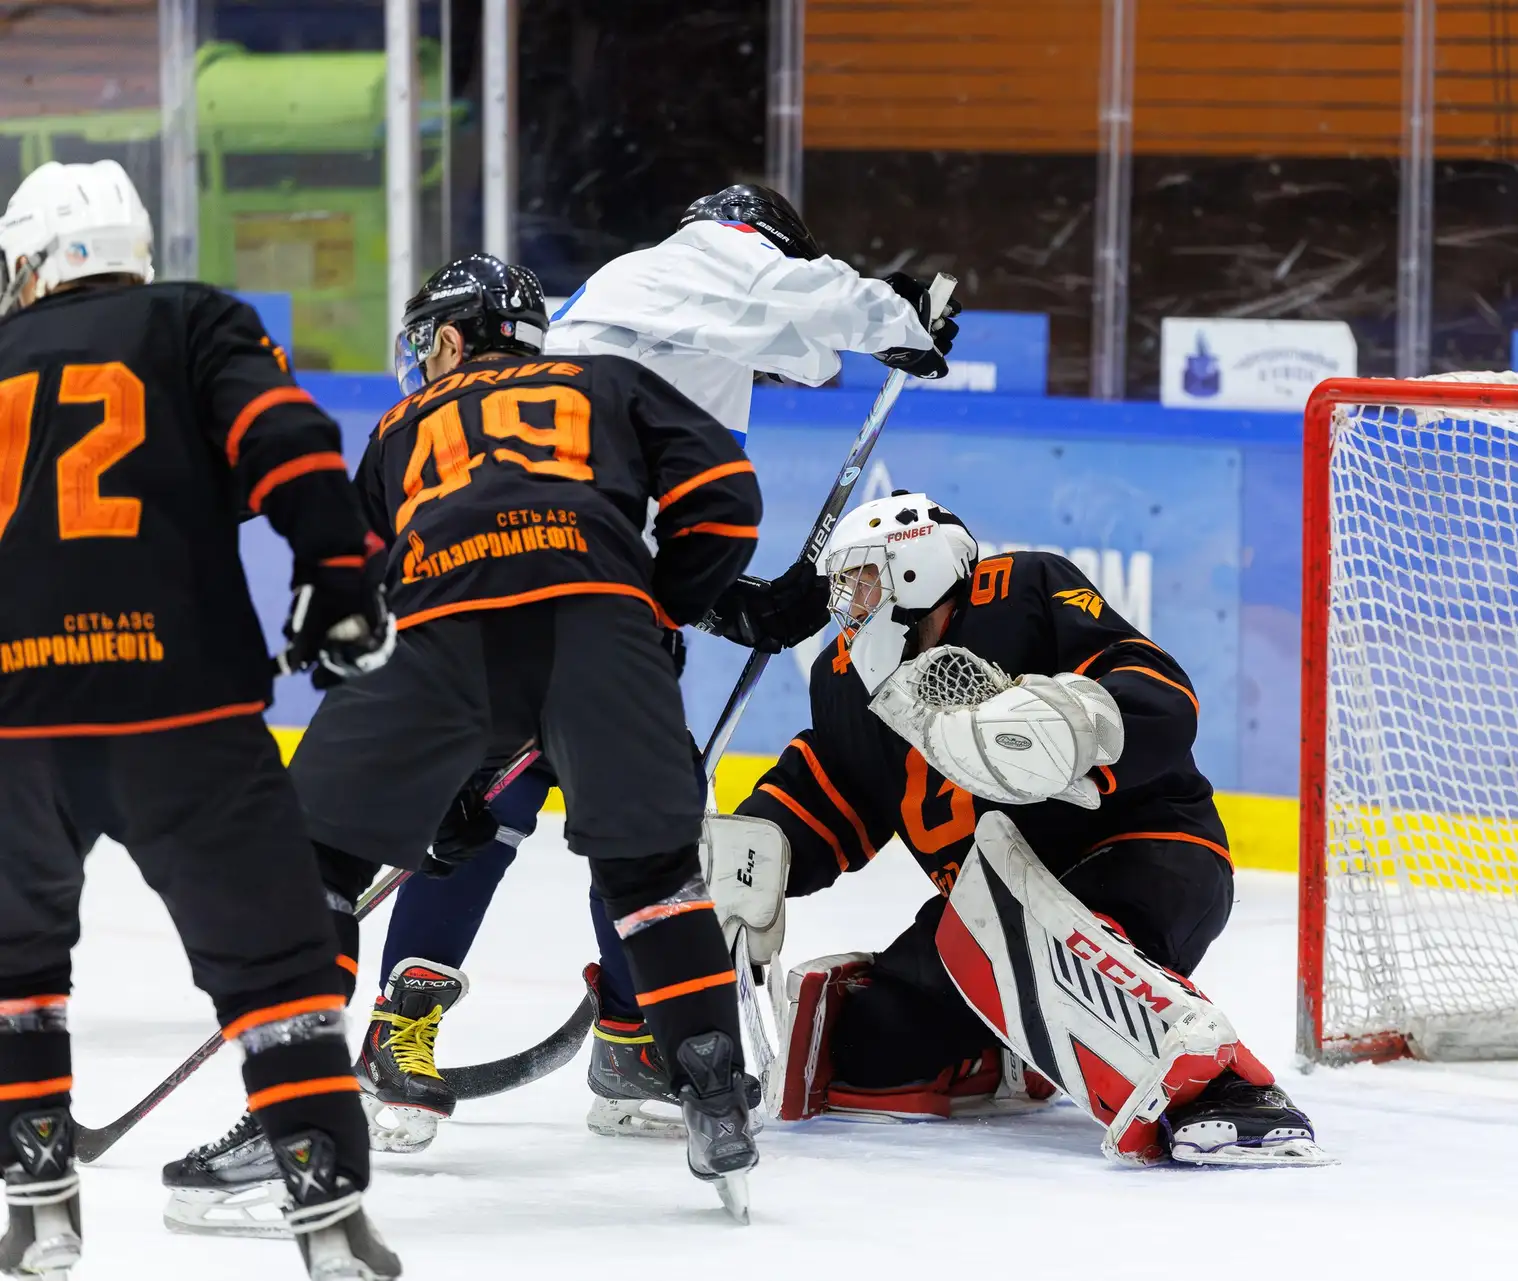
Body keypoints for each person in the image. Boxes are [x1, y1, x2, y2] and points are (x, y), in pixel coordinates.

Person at [333, 182, 959, 1149]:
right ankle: (413, 1031)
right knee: (548, 819)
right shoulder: (696, 259)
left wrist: (723, 599)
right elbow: (803, 303)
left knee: (617, 824)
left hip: (583, 600)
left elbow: (798, 351)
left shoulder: (679, 325)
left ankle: (624, 1042)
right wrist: (897, 316)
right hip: (551, 601)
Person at [166, 250, 768, 1225]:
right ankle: (715, 1098)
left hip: (441, 623)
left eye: (425, 342)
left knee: (311, 860)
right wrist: (657, 604)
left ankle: (295, 1120)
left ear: (450, 338)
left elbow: (366, 586)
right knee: (653, 876)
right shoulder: (607, 381)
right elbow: (727, 496)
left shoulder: (401, 425)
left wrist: (435, 773)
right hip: (601, 623)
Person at [0, 160, 401, 1279]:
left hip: (15, 719)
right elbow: (288, 439)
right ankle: (327, 1207)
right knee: (277, 967)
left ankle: (39, 1203)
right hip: (182, 704)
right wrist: (337, 574)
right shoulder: (190, 320)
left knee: (15, 964)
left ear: (30, 262)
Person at [713, 491, 1332, 1167]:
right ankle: (1010, 1055)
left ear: (915, 568)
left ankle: (1232, 1091)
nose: (850, 604)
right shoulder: (843, 681)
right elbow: (830, 793)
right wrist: (749, 853)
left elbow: (1160, 691)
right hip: (986, 919)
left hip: (1146, 854)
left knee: (1035, 940)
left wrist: (1077, 728)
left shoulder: (1024, 589)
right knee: (868, 1045)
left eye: (862, 581)